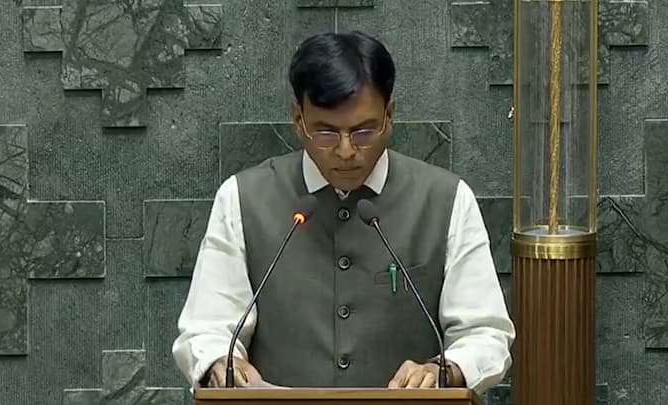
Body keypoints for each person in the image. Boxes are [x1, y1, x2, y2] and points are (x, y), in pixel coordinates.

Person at [172, 30, 514, 394]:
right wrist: (219, 362)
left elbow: (485, 333)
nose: (347, 150)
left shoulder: (447, 200)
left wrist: (446, 370)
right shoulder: (242, 198)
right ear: (297, 118)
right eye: (326, 133)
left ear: (390, 113)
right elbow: (206, 328)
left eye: (364, 131)